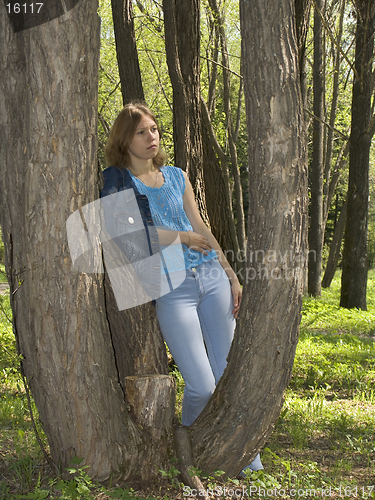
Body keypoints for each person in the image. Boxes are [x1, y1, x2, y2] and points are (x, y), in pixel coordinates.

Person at [101, 102, 263, 475]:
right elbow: (125, 234)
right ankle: (188, 449)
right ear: (125, 139)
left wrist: (232, 275)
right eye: (141, 132)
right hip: (171, 285)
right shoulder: (118, 180)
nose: (151, 137)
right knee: (202, 386)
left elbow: (202, 228)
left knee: (228, 374)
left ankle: (242, 458)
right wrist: (183, 238)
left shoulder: (176, 176)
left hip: (211, 277)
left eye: (154, 129)